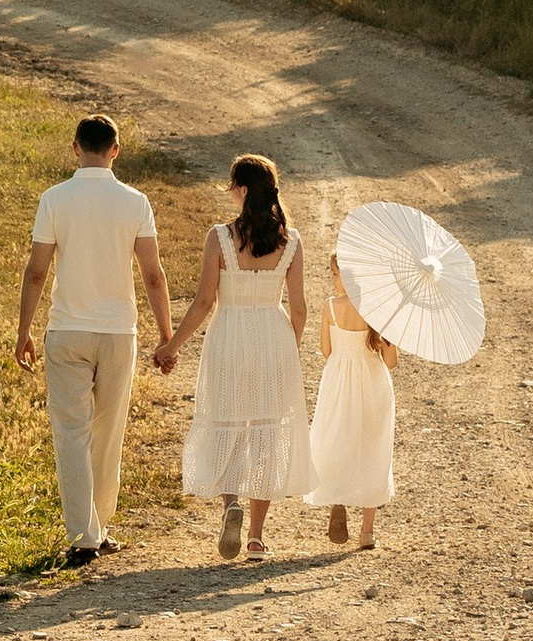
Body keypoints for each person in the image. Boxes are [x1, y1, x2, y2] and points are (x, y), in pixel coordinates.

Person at [16, 114, 172, 567]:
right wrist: (166, 334)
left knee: (71, 432)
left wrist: (24, 330)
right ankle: (99, 527)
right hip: (118, 331)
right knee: (109, 432)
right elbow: (153, 275)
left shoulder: (54, 199)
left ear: (75, 148)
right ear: (115, 150)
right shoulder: (136, 202)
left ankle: (84, 535)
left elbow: (37, 271)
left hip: (67, 328)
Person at [163, 151, 312, 559]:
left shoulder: (220, 237)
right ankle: (257, 537)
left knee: (228, 418)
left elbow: (203, 302)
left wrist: (172, 346)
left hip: (229, 334)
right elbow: (299, 308)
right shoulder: (291, 241)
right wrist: (290, 350)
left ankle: (231, 504)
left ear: (243, 190)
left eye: (232, 186)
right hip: (273, 336)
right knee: (267, 430)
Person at [304, 256, 397, 550]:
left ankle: (338, 498)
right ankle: (367, 531)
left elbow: (326, 351)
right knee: (372, 448)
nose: (334, 280)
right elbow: (391, 362)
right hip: (373, 384)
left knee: (338, 439)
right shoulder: (378, 311)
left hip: (339, 382)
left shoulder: (331, 307)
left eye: (336, 274)